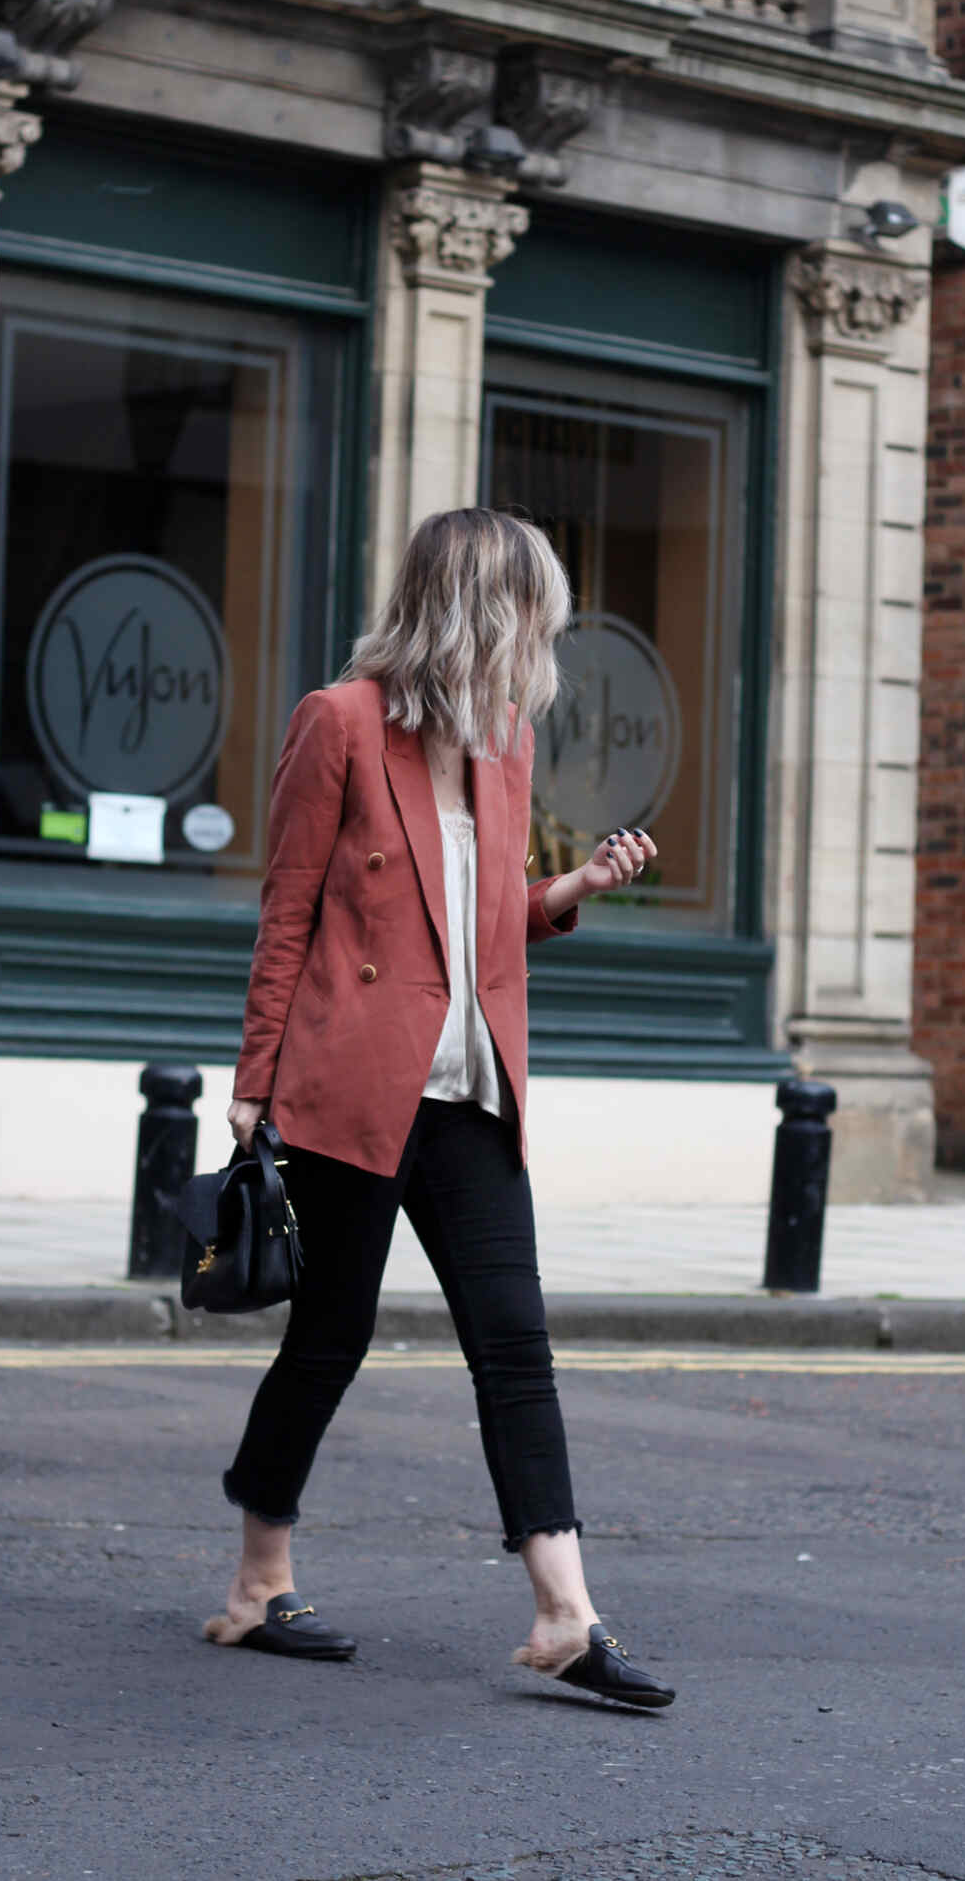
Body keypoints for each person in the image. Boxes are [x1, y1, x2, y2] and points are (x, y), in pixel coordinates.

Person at [205, 507, 675, 1709]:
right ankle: (260, 1583)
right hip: (351, 1094)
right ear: (480, 611)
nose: (546, 642)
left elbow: (480, 922)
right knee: (330, 1339)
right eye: (535, 616)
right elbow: (288, 916)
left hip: (470, 1093)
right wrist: (254, 1087)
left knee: (514, 1344)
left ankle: (564, 1616)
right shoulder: (340, 724)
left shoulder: (504, 743)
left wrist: (566, 888)